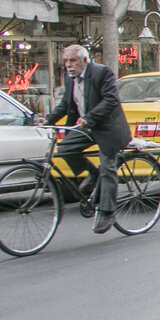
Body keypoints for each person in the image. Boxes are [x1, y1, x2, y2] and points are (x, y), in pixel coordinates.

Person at [37, 44, 132, 234]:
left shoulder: (101, 73)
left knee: (108, 168)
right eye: (66, 61)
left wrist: (89, 118)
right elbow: (66, 104)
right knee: (65, 149)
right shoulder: (71, 79)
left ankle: (107, 212)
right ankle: (92, 172)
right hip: (86, 127)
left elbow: (110, 100)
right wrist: (48, 120)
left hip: (107, 128)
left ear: (85, 61)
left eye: (73, 60)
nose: (69, 65)